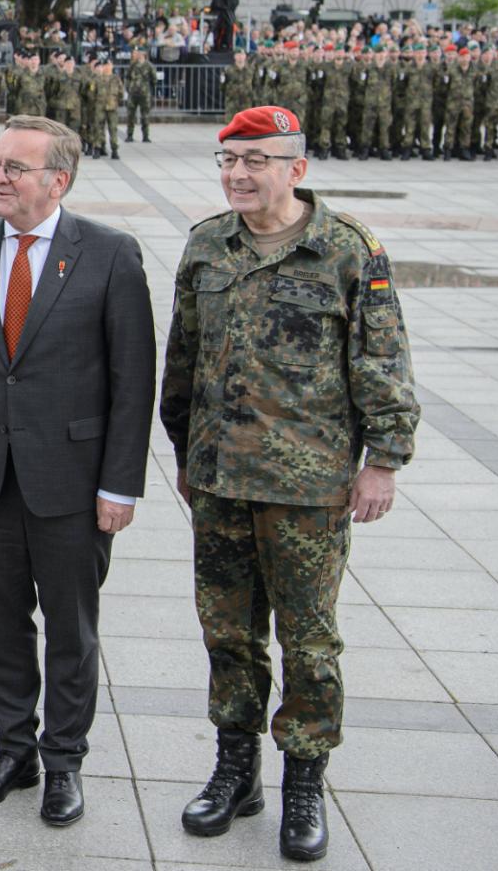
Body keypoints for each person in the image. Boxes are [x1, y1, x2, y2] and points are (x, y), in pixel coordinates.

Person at [161, 106, 419, 863]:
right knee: (228, 633)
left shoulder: (348, 250)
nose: (237, 175)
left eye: (256, 161)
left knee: (308, 641)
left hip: (307, 489)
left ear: (296, 170)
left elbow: (382, 360)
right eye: (228, 161)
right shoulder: (207, 244)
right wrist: (182, 449)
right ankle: (235, 770)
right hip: (219, 479)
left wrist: (383, 461)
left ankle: (304, 780)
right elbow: (183, 357)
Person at [0, 115, 155, 827]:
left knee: (70, 629)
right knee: (0, 625)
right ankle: (13, 750)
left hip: (73, 482)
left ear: (58, 180)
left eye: (14, 168)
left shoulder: (110, 254)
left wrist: (120, 484)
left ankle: (63, 762)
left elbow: (133, 381)